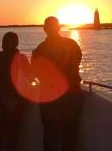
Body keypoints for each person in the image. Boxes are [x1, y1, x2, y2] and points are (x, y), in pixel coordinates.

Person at [31, 16, 83, 151]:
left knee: (50, 134)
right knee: (70, 134)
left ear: (44, 29)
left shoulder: (39, 50)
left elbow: (34, 74)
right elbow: (77, 61)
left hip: (49, 97)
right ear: (59, 28)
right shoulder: (72, 45)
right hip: (71, 95)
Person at [0, 32, 32, 151]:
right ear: (16, 42)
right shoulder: (21, 58)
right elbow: (30, 75)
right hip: (13, 97)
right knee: (12, 130)